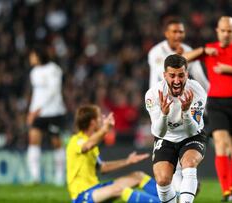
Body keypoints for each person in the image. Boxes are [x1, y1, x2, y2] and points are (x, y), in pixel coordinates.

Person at [183, 16, 232, 202]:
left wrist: (229, 69)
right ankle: (226, 192)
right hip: (216, 102)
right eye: (223, 30)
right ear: (217, 30)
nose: (226, 34)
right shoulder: (210, 49)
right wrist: (202, 50)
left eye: (229, 31)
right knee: (221, 143)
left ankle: (231, 187)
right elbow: (182, 59)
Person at [148, 17, 208, 195]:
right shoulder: (156, 52)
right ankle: (185, 186)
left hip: (187, 104)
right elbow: (162, 74)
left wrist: (201, 103)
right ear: (166, 33)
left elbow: (200, 79)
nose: (178, 35)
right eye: (174, 31)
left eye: (181, 31)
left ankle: (186, 185)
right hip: (161, 104)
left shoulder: (188, 53)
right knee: (166, 179)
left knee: (187, 161)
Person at [66, 104, 160, 203]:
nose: (103, 118)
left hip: (96, 188)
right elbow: (87, 146)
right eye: (100, 116)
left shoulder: (92, 142)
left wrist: (127, 161)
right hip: (81, 196)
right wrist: (105, 129)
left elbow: (102, 168)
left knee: (138, 176)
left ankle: (169, 199)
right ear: (93, 122)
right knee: (119, 189)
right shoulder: (76, 140)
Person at [26, 45, 67, 185]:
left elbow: (53, 91)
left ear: (39, 55)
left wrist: (36, 110)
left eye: (32, 55)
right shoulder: (34, 72)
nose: (30, 58)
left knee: (56, 143)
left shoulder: (54, 69)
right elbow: (36, 94)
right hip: (38, 112)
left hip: (54, 111)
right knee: (33, 141)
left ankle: (59, 177)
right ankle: (35, 177)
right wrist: (31, 111)